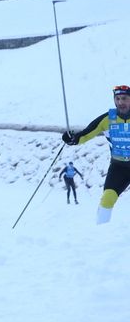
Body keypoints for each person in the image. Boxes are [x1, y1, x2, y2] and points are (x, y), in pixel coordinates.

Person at [63, 84, 130, 224]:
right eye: (117, 98)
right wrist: (73, 139)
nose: (120, 102)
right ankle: (100, 233)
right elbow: (87, 133)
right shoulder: (107, 119)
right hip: (119, 167)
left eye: (124, 98)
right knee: (107, 198)